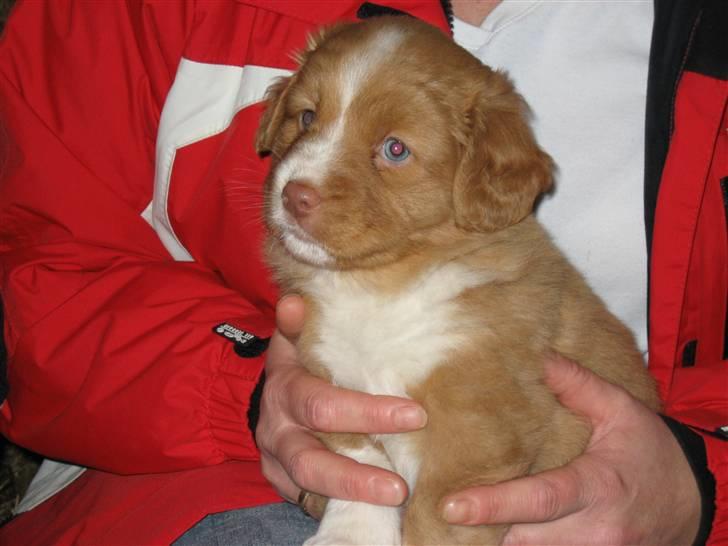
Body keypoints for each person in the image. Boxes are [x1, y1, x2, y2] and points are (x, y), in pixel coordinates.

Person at [0, 2, 724, 546]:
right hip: (191, 471)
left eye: (393, 150)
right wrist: (250, 389)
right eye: (306, 120)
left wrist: (703, 488)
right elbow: (39, 266)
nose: (301, 179)